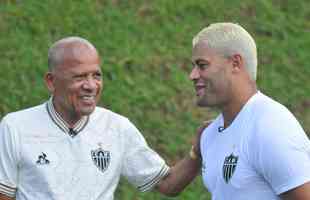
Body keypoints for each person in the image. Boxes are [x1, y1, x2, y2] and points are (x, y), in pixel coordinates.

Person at [0, 36, 202, 200]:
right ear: (51, 82)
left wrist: (197, 152)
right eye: (79, 77)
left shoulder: (117, 128)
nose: (90, 85)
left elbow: (166, 184)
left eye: (96, 75)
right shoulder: (15, 127)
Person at [190, 22, 310, 200]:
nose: (192, 75)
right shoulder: (210, 134)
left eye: (202, 65)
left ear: (235, 63)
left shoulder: (270, 128)